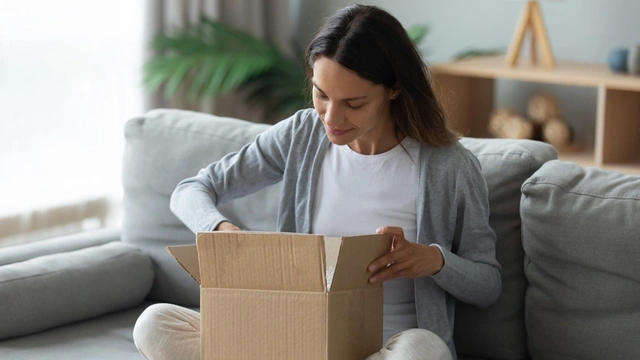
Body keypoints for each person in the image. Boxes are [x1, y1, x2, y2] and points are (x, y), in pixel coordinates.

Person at [133, 4, 501, 360]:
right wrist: (219, 229)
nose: (332, 117)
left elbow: (487, 284)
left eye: (354, 104)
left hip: (390, 345)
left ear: (394, 89)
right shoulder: (302, 135)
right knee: (155, 324)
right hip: (294, 335)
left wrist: (433, 260)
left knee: (423, 352)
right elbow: (191, 190)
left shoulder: (449, 166)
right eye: (321, 95)